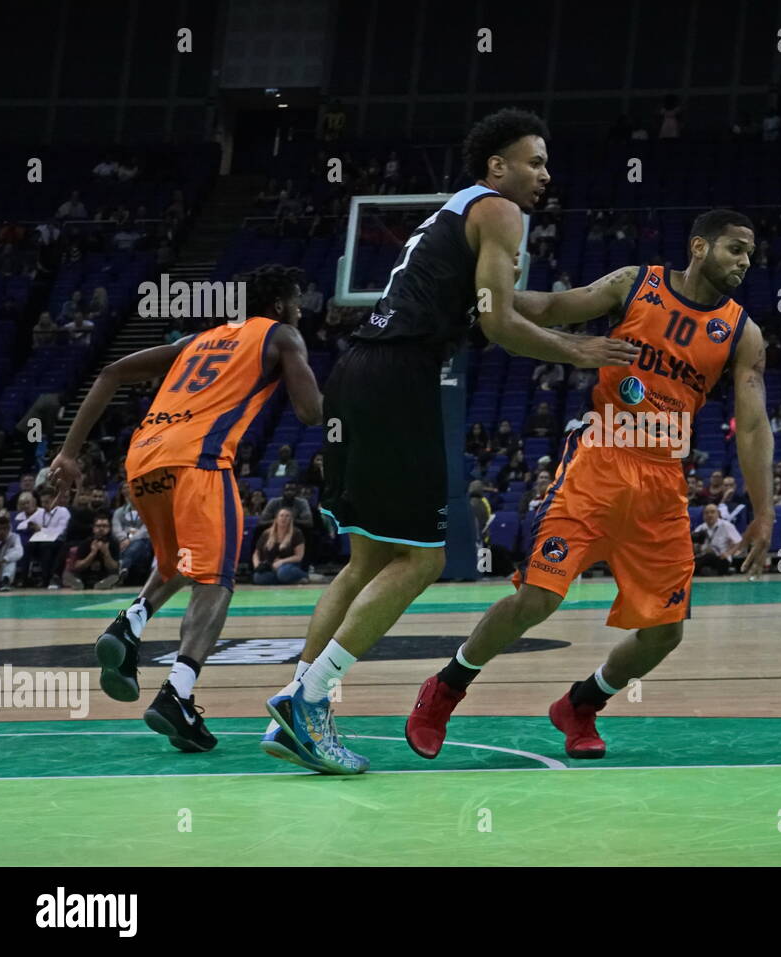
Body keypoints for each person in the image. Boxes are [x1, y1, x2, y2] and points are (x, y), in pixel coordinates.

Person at [262, 110, 637, 774]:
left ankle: (298, 695)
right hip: (401, 378)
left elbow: (531, 306)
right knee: (424, 560)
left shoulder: (459, 214)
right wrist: (581, 355)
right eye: (534, 161)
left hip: (356, 372)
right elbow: (498, 324)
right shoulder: (499, 213)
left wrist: (608, 294)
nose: (546, 175)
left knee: (368, 559)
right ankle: (310, 699)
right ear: (497, 167)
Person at [405, 208, 773, 765]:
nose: (745, 261)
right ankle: (444, 690)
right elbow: (553, 307)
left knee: (664, 633)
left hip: (662, 479)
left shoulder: (744, 333)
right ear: (699, 246)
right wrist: (485, 298)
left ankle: (580, 704)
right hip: (599, 459)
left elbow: (751, 423)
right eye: (735, 248)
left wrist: (764, 513)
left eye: (750, 253)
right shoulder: (635, 283)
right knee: (539, 596)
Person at [47, 264, 323, 754]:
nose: (301, 310)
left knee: (183, 562)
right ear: (280, 305)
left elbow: (110, 372)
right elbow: (309, 412)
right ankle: (177, 693)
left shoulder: (196, 340)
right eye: (297, 301)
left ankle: (129, 624)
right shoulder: (282, 336)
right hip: (199, 462)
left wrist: (68, 454)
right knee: (216, 580)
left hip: (143, 461)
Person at [62, 512, 121, 589]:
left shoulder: (114, 543)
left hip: (103, 576)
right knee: (68, 574)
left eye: (105, 526)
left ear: (109, 528)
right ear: (93, 528)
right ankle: (77, 583)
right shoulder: (85, 543)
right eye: (98, 526)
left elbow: (114, 568)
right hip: (84, 575)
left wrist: (106, 553)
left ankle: (102, 584)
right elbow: (77, 566)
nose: (101, 529)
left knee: (115, 576)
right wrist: (92, 553)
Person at [252, 507, 307, 585]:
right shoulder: (266, 534)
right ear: (276, 518)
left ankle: (303, 576)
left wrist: (281, 562)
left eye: (287, 516)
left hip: (288, 565)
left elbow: (299, 556)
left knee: (283, 572)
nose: (284, 518)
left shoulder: (297, 533)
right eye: (281, 515)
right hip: (270, 566)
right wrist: (257, 565)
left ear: (291, 520)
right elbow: (256, 553)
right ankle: (286, 580)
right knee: (258, 577)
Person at [691, 503, 744, 576]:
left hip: (720, 558)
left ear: (718, 514)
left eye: (712, 512)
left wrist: (728, 553)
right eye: (706, 513)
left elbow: (739, 542)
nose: (709, 515)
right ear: (703, 516)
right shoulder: (701, 528)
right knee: (700, 560)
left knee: (715, 560)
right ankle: (708, 571)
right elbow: (693, 546)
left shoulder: (726, 525)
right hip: (704, 557)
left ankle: (706, 571)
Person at [0, 511, 23, 591]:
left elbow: (20, 553)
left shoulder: (14, 537)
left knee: (12, 556)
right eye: (0, 529)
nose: (2, 532)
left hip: (2, 570)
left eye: (5, 529)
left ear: (9, 528)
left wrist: (1, 561)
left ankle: (5, 581)